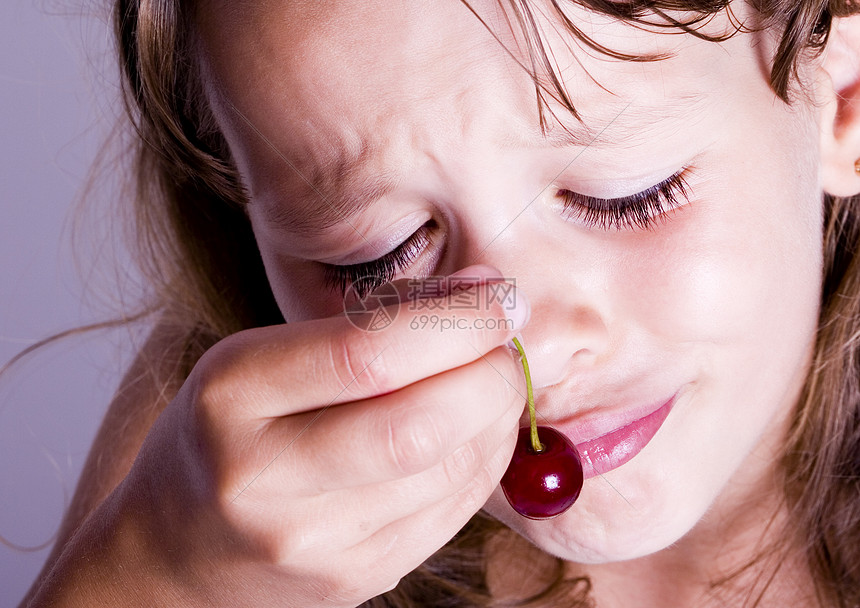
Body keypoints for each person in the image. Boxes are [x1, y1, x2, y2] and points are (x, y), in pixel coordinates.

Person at [20, 0, 860, 605]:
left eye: (628, 196)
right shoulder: (204, 485)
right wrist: (155, 579)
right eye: (374, 258)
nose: (524, 338)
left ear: (843, 99)